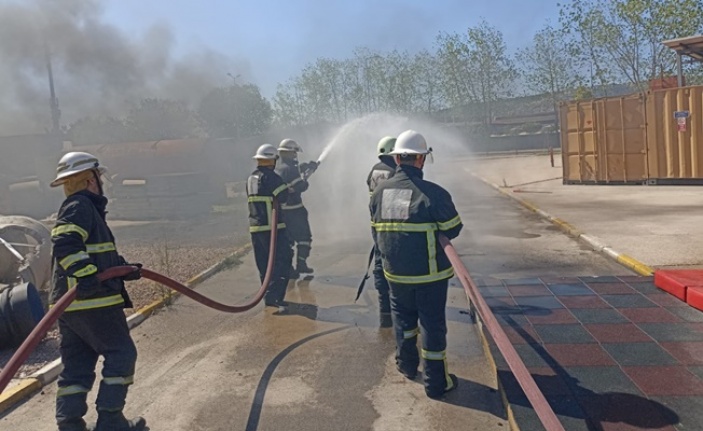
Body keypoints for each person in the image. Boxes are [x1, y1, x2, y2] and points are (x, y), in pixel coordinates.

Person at [48, 152, 145, 431]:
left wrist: (123, 267)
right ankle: (111, 420)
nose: (102, 183)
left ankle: (70, 424)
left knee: (77, 366)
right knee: (121, 355)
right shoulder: (80, 205)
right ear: (91, 180)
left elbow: (94, 252)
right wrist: (89, 276)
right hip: (94, 302)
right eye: (99, 178)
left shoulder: (79, 207)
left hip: (72, 307)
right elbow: (66, 244)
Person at [369, 130, 463, 399]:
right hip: (430, 277)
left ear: (397, 158)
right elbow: (453, 228)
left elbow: (376, 233)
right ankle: (436, 383)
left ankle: (407, 366)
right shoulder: (434, 194)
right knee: (432, 327)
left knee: (404, 322)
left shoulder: (379, 193)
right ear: (422, 159)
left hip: (395, 276)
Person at [247, 144, 294, 312]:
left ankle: (269, 297)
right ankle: (275, 297)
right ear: (272, 160)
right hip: (273, 228)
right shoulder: (271, 177)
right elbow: (283, 196)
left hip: (256, 227)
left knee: (264, 264)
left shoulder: (251, 177)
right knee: (283, 260)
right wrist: (289, 189)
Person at [366, 136, 397, 328]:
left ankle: (384, 307)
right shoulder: (394, 171)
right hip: (392, 225)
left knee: (379, 260)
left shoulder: (374, 171)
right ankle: (395, 305)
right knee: (391, 263)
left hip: (376, 223)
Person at [275, 138, 315, 278]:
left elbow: (293, 172)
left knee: (287, 242)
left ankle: (289, 269)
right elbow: (300, 186)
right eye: (294, 153)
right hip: (295, 210)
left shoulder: (278, 167)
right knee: (304, 237)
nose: (295, 156)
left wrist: (306, 167)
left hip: (282, 212)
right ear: (289, 152)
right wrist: (305, 180)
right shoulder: (290, 169)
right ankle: (301, 264)